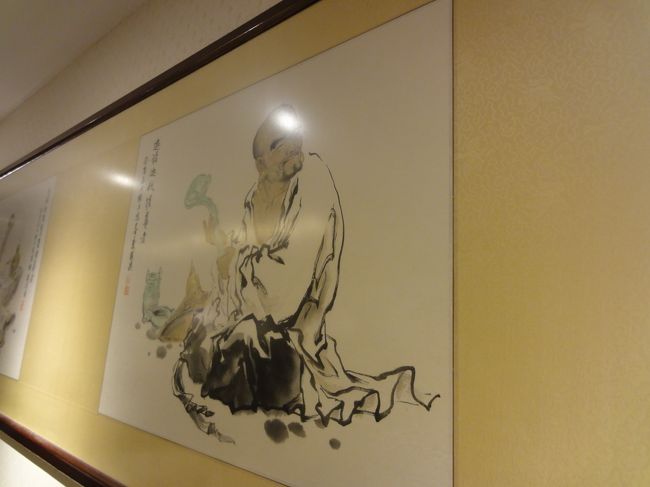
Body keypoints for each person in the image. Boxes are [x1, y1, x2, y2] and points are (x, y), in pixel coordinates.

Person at [172, 105, 436, 442]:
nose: (291, 146)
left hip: (296, 331)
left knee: (238, 353)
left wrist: (237, 266)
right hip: (258, 319)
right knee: (202, 345)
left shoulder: (313, 180)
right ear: (260, 164)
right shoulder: (254, 197)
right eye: (278, 144)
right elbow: (241, 263)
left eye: (294, 136)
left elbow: (281, 296)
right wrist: (232, 263)